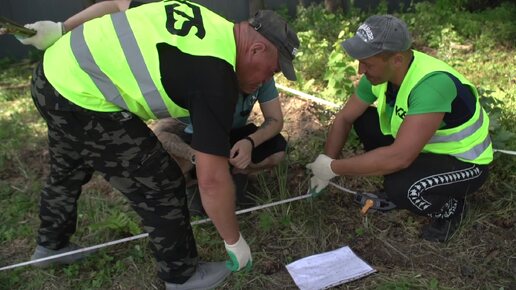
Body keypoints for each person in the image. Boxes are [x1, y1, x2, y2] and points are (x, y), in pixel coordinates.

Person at [16, 0, 300, 288]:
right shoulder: (216, 76)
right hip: (82, 98)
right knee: (159, 181)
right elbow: (212, 180)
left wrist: (62, 29)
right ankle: (182, 276)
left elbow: (119, 2)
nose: (268, 79)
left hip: (51, 75)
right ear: (256, 49)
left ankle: (49, 246)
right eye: (273, 70)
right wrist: (234, 241)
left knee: (69, 166)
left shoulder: (205, 17)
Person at [306, 15, 492, 243]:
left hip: (465, 162)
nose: (360, 70)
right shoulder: (380, 74)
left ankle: (451, 209)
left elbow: (400, 158)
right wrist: (325, 162)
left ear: (396, 59)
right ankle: (411, 174)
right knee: (364, 120)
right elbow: (345, 117)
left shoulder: (431, 85)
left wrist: (334, 168)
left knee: (403, 188)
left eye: (367, 63)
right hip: (424, 148)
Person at [151, 78, 287, 209]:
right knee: (169, 168)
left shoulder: (264, 76)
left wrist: (249, 142)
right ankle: (193, 185)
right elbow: (160, 133)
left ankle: (237, 175)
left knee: (277, 151)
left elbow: (275, 120)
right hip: (196, 138)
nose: (263, 79)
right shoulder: (210, 76)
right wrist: (194, 155)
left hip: (231, 135)